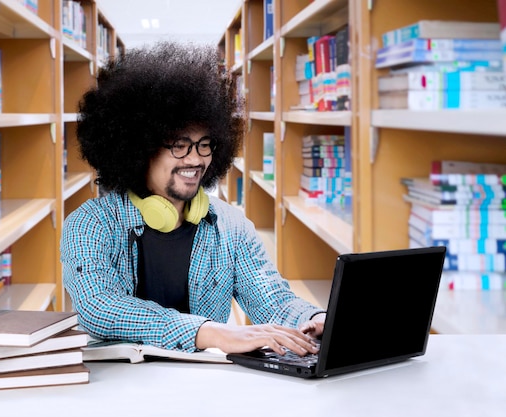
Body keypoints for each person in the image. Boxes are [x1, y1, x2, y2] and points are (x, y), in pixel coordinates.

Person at [60, 41, 325, 357]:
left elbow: (271, 299)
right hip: (114, 387)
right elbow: (99, 307)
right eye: (179, 145)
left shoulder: (230, 225)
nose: (196, 159)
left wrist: (315, 319)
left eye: (204, 144)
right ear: (138, 149)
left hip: (202, 388)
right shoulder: (91, 224)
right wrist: (208, 332)